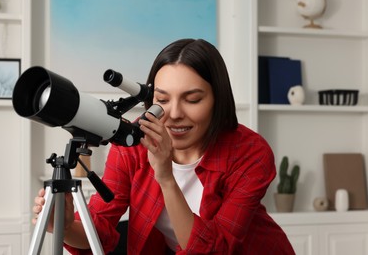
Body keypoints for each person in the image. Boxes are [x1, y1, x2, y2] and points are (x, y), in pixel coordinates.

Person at [33, 38, 295, 254]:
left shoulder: (249, 152)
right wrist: (65, 226)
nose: (175, 113)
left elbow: (215, 250)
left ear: (218, 98)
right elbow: (99, 229)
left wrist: (166, 177)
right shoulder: (132, 143)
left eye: (192, 99)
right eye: (162, 99)